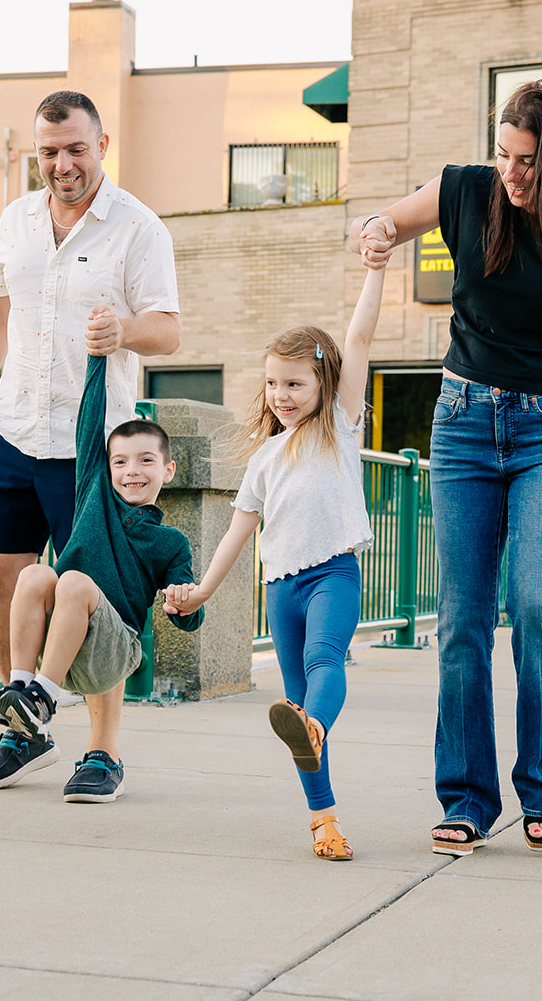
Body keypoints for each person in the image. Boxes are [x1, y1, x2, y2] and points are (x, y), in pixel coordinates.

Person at [351, 79, 542, 855]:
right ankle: (468, 797)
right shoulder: (465, 191)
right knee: (463, 618)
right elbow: (391, 218)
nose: (511, 175)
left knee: (540, 601)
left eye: (529, 163)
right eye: (504, 155)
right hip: (462, 424)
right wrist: (376, 230)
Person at [0, 91, 182, 791]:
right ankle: (23, 730)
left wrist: (125, 332)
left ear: (102, 146)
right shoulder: (16, 220)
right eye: (49, 152)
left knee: (92, 590)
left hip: (92, 441)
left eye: (75, 148)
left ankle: (102, 750)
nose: (62, 164)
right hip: (14, 425)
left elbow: (168, 328)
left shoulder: (139, 228)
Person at [162, 250, 389, 861]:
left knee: (324, 663)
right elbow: (237, 533)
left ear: (324, 384)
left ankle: (315, 725)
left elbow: (360, 335)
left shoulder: (340, 427)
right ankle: (325, 821)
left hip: (333, 575)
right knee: (297, 713)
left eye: (295, 383)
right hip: (280, 590)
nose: (281, 395)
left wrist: (376, 268)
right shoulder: (263, 459)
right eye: (272, 383)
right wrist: (203, 591)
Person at [0, 341, 203, 801]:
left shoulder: (170, 542)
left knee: (71, 579)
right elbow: (91, 416)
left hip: (113, 654)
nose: (131, 471)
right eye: (120, 462)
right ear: (105, 467)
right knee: (34, 575)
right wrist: (95, 356)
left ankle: (44, 701)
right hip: (66, 647)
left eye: (146, 461)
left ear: (169, 470)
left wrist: (182, 604)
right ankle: (20, 691)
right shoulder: (93, 493)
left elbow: (190, 614)